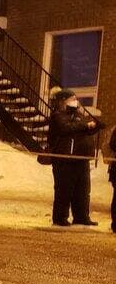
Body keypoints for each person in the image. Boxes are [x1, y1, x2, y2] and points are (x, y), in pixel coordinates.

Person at [46, 89, 101, 227]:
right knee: (64, 189)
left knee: (82, 190)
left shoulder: (78, 115)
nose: (74, 101)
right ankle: (60, 218)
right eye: (71, 99)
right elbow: (66, 128)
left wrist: (94, 127)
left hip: (81, 158)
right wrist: (85, 125)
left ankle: (81, 216)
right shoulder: (58, 116)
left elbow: (84, 127)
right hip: (65, 159)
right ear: (62, 101)